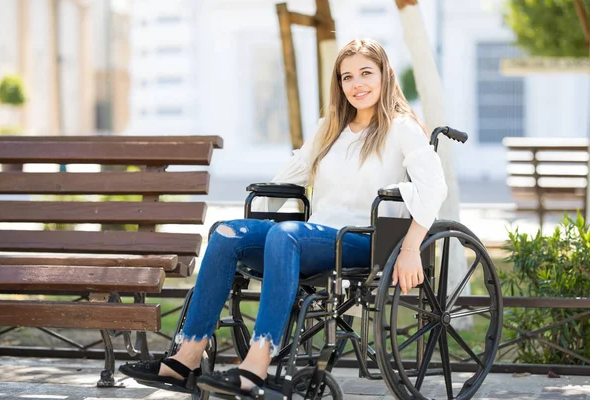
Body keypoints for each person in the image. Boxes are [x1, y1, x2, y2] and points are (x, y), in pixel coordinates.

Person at [119, 38, 447, 397]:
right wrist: (253, 229)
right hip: (315, 236)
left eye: (366, 73)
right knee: (227, 232)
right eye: (347, 76)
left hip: (364, 239)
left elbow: (433, 187)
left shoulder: (401, 127)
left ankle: (256, 368)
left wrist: (412, 247)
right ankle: (186, 359)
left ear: (385, 75)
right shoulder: (330, 128)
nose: (357, 84)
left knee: (285, 234)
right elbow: (287, 179)